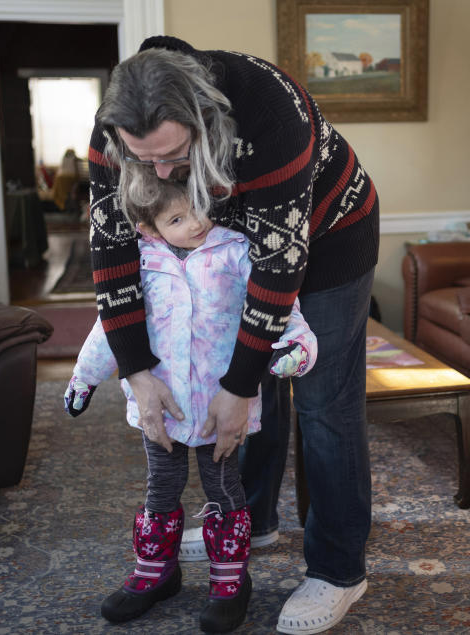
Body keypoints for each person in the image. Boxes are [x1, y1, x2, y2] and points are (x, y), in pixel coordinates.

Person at [88, 36, 379, 634]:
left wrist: (239, 382)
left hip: (324, 238)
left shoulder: (269, 113)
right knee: (241, 385)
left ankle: (339, 571)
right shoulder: (116, 132)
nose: (161, 173)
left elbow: (278, 267)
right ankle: (257, 517)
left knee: (321, 400)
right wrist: (137, 372)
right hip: (220, 244)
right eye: (146, 162)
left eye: (173, 156)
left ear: (205, 115)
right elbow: (114, 251)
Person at [64, 182, 316, 632]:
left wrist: (296, 345)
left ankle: (230, 580)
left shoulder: (236, 251)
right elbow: (111, 325)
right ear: (149, 227)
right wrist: (85, 377)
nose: (196, 223)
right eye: (176, 219)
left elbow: (278, 307)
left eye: (198, 210)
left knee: (223, 486)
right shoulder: (142, 262)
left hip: (222, 404)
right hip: (162, 406)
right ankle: (155, 570)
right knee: (161, 484)